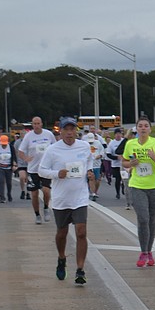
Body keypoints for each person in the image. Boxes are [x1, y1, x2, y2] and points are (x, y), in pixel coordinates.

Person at [37, 117, 95, 285]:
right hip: (62, 198)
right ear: (60, 131)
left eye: (72, 129)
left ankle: (80, 269)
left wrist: (89, 172)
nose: (70, 133)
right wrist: (56, 174)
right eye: (66, 129)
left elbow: (89, 161)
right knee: (62, 233)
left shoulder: (84, 146)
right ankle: (61, 258)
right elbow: (42, 170)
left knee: (81, 232)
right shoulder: (53, 150)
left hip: (80, 196)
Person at [122, 118, 155, 268]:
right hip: (137, 185)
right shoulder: (130, 144)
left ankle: (149, 251)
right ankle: (143, 252)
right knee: (143, 218)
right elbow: (123, 162)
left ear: (150, 129)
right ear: (136, 129)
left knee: (151, 220)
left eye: (146, 126)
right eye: (140, 126)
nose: (143, 128)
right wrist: (130, 164)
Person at [18, 116, 56, 224]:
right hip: (33, 169)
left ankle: (46, 207)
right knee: (34, 194)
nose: (36, 126)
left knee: (46, 190)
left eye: (38, 123)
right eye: (34, 124)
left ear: (41, 124)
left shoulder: (48, 134)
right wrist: (25, 158)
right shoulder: (28, 136)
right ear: (32, 125)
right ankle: (37, 214)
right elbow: (20, 151)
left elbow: (56, 147)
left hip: (46, 168)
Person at [0, 134, 17, 203]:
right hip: (0, 167)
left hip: (9, 167)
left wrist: (15, 165)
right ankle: (2, 197)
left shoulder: (11, 148)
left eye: (5, 144)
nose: (4, 145)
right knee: (1, 181)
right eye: (3, 144)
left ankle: (9, 194)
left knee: (9, 182)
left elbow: (14, 157)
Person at [84, 132, 105, 201]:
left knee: (97, 179)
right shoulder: (84, 144)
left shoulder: (98, 143)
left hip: (97, 164)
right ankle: (92, 192)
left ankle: (95, 191)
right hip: (88, 164)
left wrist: (100, 155)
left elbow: (102, 151)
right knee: (90, 178)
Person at [105, 128, 125, 200]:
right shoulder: (111, 143)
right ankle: (117, 193)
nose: (118, 135)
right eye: (117, 134)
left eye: (119, 134)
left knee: (124, 178)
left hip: (124, 163)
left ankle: (123, 188)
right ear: (114, 135)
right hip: (115, 164)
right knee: (118, 179)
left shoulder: (124, 141)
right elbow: (108, 154)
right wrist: (116, 157)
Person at [13, 125, 31, 199]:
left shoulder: (30, 142)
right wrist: (14, 162)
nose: (23, 136)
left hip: (29, 163)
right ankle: (22, 190)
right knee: (22, 177)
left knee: (28, 179)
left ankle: (28, 192)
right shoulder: (17, 142)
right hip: (21, 163)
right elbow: (15, 152)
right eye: (22, 134)